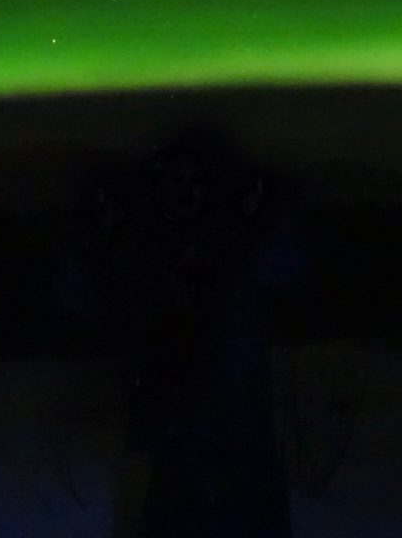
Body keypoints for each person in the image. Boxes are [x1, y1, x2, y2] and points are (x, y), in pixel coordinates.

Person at [115, 123, 303, 538]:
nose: (188, 192)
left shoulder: (232, 256)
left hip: (232, 424)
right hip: (184, 430)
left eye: (197, 182)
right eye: (178, 182)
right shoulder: (151, 259)